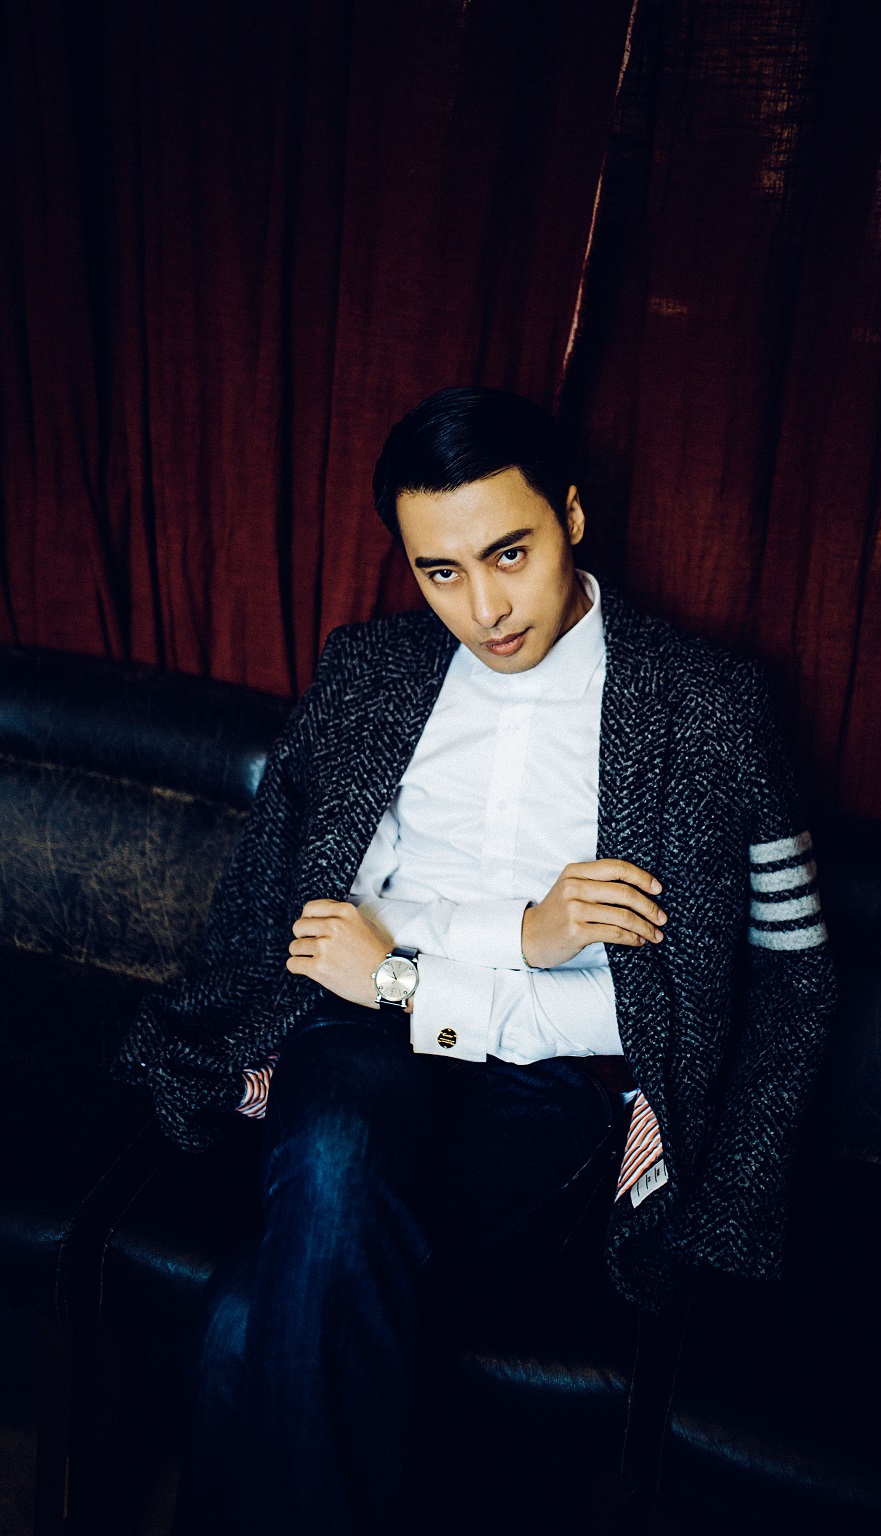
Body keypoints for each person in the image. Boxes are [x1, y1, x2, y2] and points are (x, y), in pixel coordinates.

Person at [112, 385, 836, 1535]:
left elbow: (781, 975)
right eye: (439, 572)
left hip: (551, 1086)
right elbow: (317, 922)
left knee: (251, 1316)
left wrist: (412, 967)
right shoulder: (369, 671)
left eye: (510, 553)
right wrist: (520, 937)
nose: (485, 609)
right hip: (359, 1032)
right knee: (336, 1149)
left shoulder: (706, 707)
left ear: (573, 516)